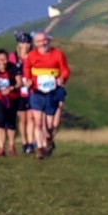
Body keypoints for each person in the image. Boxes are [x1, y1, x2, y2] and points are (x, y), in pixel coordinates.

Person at [22, 31, 70, 159]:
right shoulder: (31, 55)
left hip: (52, 91)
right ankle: (40, 149)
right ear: (35, 43)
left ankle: (48, 139)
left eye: (44, 40)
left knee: (49, 125)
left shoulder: (58, 54)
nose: (42, 43)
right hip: (36, 92)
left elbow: (65, 69)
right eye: (39, 41)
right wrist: (28, 80)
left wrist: (62, 78)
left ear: (48, 40)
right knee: (38, 122)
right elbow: (26, 69)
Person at [7, 32, 35, 153]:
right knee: (22, 118)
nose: (25, 45)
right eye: (23, 43)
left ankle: (31, 142)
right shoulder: (12, 57)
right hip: (18, 91)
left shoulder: (33, 56)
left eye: (28, 43)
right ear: (18, 44)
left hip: (31, 90)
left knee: (31, 117)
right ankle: (24, 142)